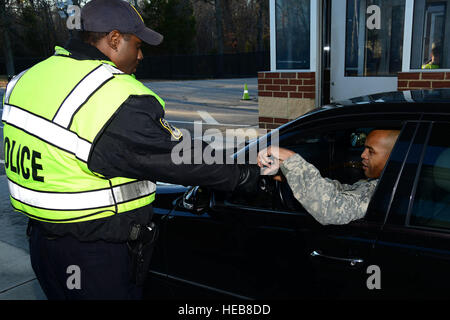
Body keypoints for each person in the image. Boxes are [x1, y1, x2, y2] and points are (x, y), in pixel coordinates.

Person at [1, 0, 258, 300]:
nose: (140, 54)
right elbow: (180, 157)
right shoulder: (111, 95)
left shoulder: (26, 78)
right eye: (136, 44)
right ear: (113, 39)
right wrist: (246, 173)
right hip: (94, 256)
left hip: (43, 246)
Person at [258, 129, 400, 225]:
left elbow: (330, 209)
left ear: (393, 156)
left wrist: (291, 158)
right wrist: (290, 174)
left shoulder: (386, 191)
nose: (363, 155)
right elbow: (342, 190)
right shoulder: (378, 182)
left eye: (371, 151)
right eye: (364, 149)